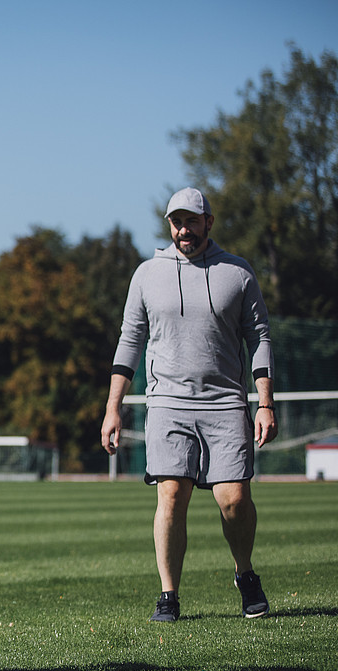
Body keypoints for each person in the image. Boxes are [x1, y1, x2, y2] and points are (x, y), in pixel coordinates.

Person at [101, 187, 277, 623]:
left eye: (192, 221)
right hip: (167, 404)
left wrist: (265, 402)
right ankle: (168, 595)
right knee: (172, 495)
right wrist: (113, 406)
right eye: (177, 222)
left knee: (234, 500)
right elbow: (130, 341)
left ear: (208, 223)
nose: (184, 230)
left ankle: (244, 572)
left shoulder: (237, 273)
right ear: (169, 225)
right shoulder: (146, 275)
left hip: (225, 403)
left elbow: (260, 339)